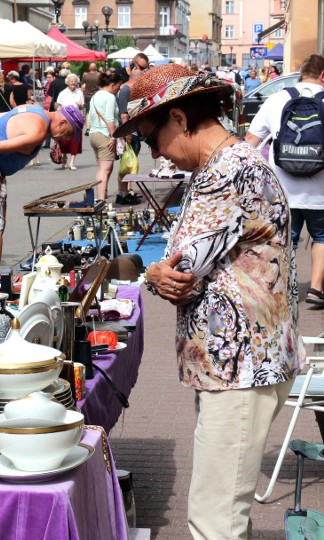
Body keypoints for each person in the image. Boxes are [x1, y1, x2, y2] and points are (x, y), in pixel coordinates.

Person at [116, 63, 303, 539]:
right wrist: (160, 273)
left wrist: (158, 273)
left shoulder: (228, 172)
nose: (151, 150)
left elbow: (180, 267)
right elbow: (185, 265)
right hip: (238, 364)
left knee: (214, 519)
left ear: (178, 118)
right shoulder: (222, 165)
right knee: (217, 509)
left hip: (240, 367)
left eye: (148, 135)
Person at [246, 53, 324, 308]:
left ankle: (280, 290)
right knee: (321, 236)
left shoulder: (278, 98)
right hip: (320, 190)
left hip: (282, 189)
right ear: (323, 76)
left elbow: (251, 142)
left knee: (284, 238)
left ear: (302, 74)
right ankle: (315, 289)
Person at [0, 103, 80, 269]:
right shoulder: (39, 130)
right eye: (69, 133)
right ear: (63, 123)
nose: (67, 139)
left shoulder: (34, 108)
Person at [87, 71, 124, 200]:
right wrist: (114, 137)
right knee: (105, 169)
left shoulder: (96, 95)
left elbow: (90, 115)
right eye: (119, 85)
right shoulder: (110, 97)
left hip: (94, 134)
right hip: (104, 134)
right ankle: (100, 198)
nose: (119, 88)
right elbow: (109, 119)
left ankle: (102, 194)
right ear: (113, 84)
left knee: (102, 168)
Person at [117, 53, 150, 156]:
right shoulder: (119, 76)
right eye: (141, 67)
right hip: (125, 127)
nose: (143, 70)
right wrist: (126, 132)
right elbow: (123, 112)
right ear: (133, 63)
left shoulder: (140, 78)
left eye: (145, 68)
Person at [55, 73, 84, 170]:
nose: (73, 83)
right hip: (65, 119)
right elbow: (59, 106)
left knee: (75, 141)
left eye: (75, 81)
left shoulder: (80, 92)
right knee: (64, 141)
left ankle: (72, 162)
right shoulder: (63, 93)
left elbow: (82, 106)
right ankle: (64, 157)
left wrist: (80, 105)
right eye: (71, 81)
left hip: (76, 119)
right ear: (68, 82)